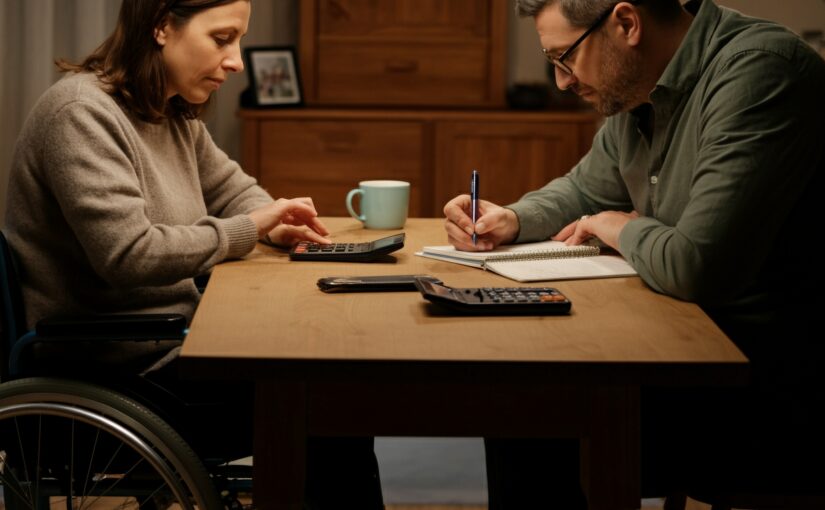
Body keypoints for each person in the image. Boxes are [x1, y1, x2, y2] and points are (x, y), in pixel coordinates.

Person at [443, 0, 824, 507]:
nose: (560, 82)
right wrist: (511, 218)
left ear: (626, 23)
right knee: (521, 396)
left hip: (766, 386)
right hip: (679, 344)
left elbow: (696, 265)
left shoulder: (762, 71)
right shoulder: (640, 86)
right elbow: (584, 189)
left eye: (565, 58)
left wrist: (618, 227)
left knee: (531, 411)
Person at [3, 0, 383, 508]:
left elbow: (234, 191)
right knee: (329, 403)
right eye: (222, 39)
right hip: (114, 369)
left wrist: (276, 225)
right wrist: (249, 228)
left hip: (168, 346)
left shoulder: (168, 111)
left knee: (334, 386)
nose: (237, 61)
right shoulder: (80, 114)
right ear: (161, 26)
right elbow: (129, 254)